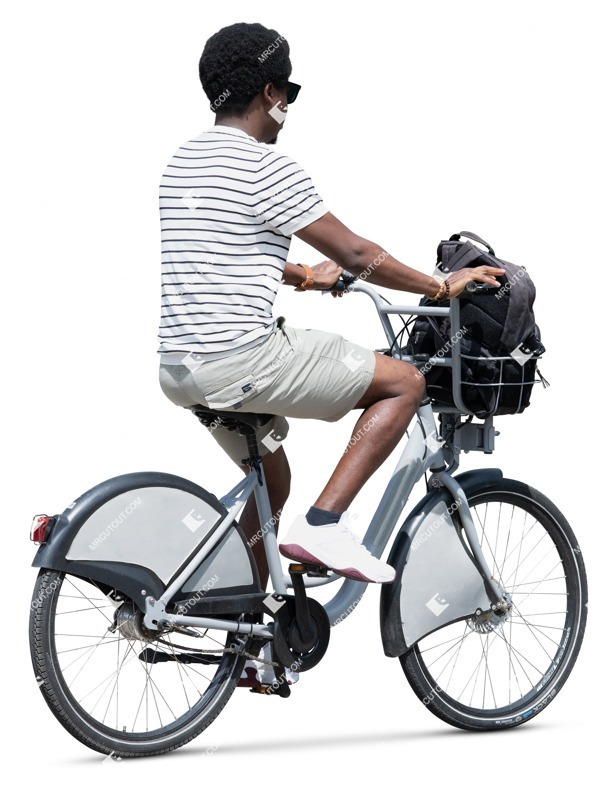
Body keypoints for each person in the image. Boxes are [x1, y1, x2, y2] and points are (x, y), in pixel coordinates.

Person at [158, 22, 503, 594]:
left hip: (179, 366)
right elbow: (358, 252)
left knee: (272, 476)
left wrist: (300, 275)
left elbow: (215, 246)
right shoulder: (264, 165)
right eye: (288, 94)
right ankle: (323, 526)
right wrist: (441, 287)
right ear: (271, 92)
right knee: (405, 383)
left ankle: (240, 623)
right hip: (239, 359)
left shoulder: (182, 162)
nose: (288, 107)